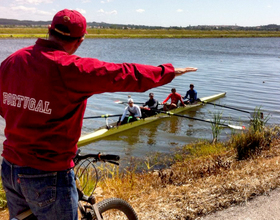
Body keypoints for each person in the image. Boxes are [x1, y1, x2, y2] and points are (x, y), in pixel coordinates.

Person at [0, 9, 197, 220]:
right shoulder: (72, 68)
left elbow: (4, 107)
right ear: (80, 41)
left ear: (49, 30)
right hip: (48, 174)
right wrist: (165, 72)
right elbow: (122, 73)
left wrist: (29, 113)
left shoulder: (13, 60)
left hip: (10, 169)